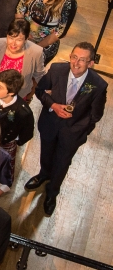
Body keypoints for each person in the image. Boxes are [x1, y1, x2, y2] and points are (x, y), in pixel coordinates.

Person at [25, 42, 108, 216]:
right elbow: (40, 91)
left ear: (91, 63)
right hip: (50, 123)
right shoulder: (56, 70)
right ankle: (43, 174)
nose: (76, 63)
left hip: (72, 132)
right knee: (46, 154)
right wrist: (53, 105)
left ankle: (52, 192)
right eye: (74, 57)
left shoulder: (98, 85)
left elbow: (95, 115)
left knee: (62, 163)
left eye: (82, 60)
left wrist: (78, 130)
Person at [16, 0, 75, 64]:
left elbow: (60, 31)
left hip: (44, 46)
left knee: (32, 74)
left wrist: (36, 47)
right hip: (23, 36)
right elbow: (21, 6)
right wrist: (21, 32)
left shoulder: (68, 0)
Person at [0, 19, 46, 101]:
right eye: (11, 38)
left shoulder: (36, 52)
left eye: (19, 40)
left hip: (18, 96)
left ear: (26, 39)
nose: (13, 43)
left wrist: (46, 91)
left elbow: (40, 76)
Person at [0, 69, 35, 174]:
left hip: (5, 143)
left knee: (2, 169)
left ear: (11, 92)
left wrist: (13, 140)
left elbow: (27, 134)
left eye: (0, 87)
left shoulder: (23, 112)